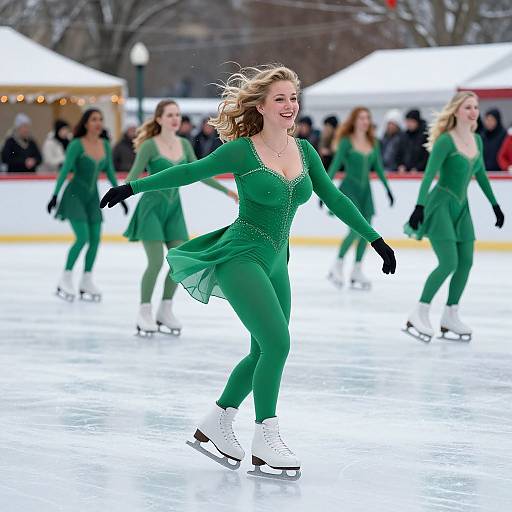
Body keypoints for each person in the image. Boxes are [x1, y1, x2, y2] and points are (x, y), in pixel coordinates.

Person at [100, 65, 396, 480]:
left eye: (293, 97)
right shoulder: (242, 150)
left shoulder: (306, 152)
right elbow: (189, 172)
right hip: (241, 256)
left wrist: (375, 239)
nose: (290, 105)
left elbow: (337, 196)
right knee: (278, 344)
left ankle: (216, 421)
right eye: (280, 98)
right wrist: (132, 187)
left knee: (262, 351)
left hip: (278, 262)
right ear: (260, 105)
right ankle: (265, 438)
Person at [123, 100, 238, 335]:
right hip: (151, 210)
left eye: (177, 114)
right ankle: (144, 311)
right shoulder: (149, 146)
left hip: (174, 210)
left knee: (180, 261)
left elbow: (199, 173)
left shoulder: (185, 144)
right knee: (155, 262)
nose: (175, 119)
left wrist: (227, 191)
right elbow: (132, 179)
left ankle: (165, 309)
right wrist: (123, 192)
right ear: (158, 119)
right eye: (169, 115)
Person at [404, 92, 504, 343]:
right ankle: (419, 312)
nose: (473, 111)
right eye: (468, 107)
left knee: (466, 261)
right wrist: (419, 206)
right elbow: (429, 175)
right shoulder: (446, 141)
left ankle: (450, 314)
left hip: (462, 207)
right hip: (440, 206)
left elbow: (480, 174)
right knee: (448, 262)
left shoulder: (477, 141)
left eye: (476, 107)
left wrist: (495, 205)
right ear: (456, 111)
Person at [47, 109, 128, 302]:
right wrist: (54, 195)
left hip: (93, 197)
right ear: (85, 123)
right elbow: (65, 170)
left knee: (95, 239)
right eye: (94, 119)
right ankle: (65, 277)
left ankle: (86, 279)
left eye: (100, 119)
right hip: (74, 195)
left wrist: (121, 196)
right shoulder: (76, 144)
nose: (98, 123)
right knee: (82, 238)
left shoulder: (106, 145)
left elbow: (109, 172)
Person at [326, 107, 394, 290]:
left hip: (366, 192)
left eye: (367, 118)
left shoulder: (373, 142)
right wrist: (324, 187)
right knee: (355, 230)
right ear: (354, 121)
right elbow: (335, 164)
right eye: (361, 118)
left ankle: (357, 269)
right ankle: (337, 265)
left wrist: (388, 189)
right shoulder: (346, 142)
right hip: (350, 189)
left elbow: (378, 167)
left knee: (367, 231)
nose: (365, 121)